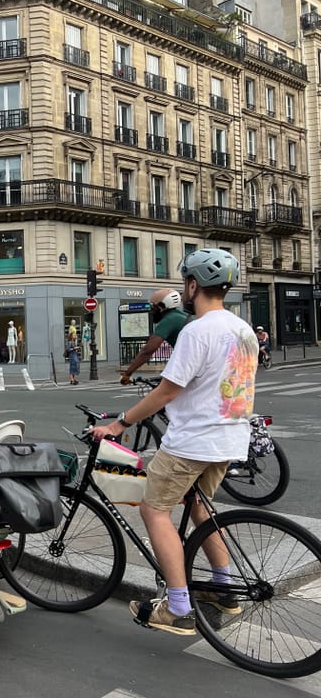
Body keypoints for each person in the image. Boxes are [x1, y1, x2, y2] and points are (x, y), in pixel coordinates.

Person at [92, 248, 256, 636]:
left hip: (192, 442)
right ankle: (223, 587)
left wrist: (120, 423)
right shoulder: (243, 328)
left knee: (155, 511)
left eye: (185, 282)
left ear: (194, 284)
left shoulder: (198, 330)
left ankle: (178, 606)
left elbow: (166, 392)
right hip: (230, 438)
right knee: (200, 506)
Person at [120, 289, 189, 384]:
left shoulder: (169, 320)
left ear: (161, 307)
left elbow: (148, 350)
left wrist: (127, 373)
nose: (151, 310)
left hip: (189, 367)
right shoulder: (181, 316)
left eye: (153, 307)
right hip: (195, 365)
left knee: (159, 397)